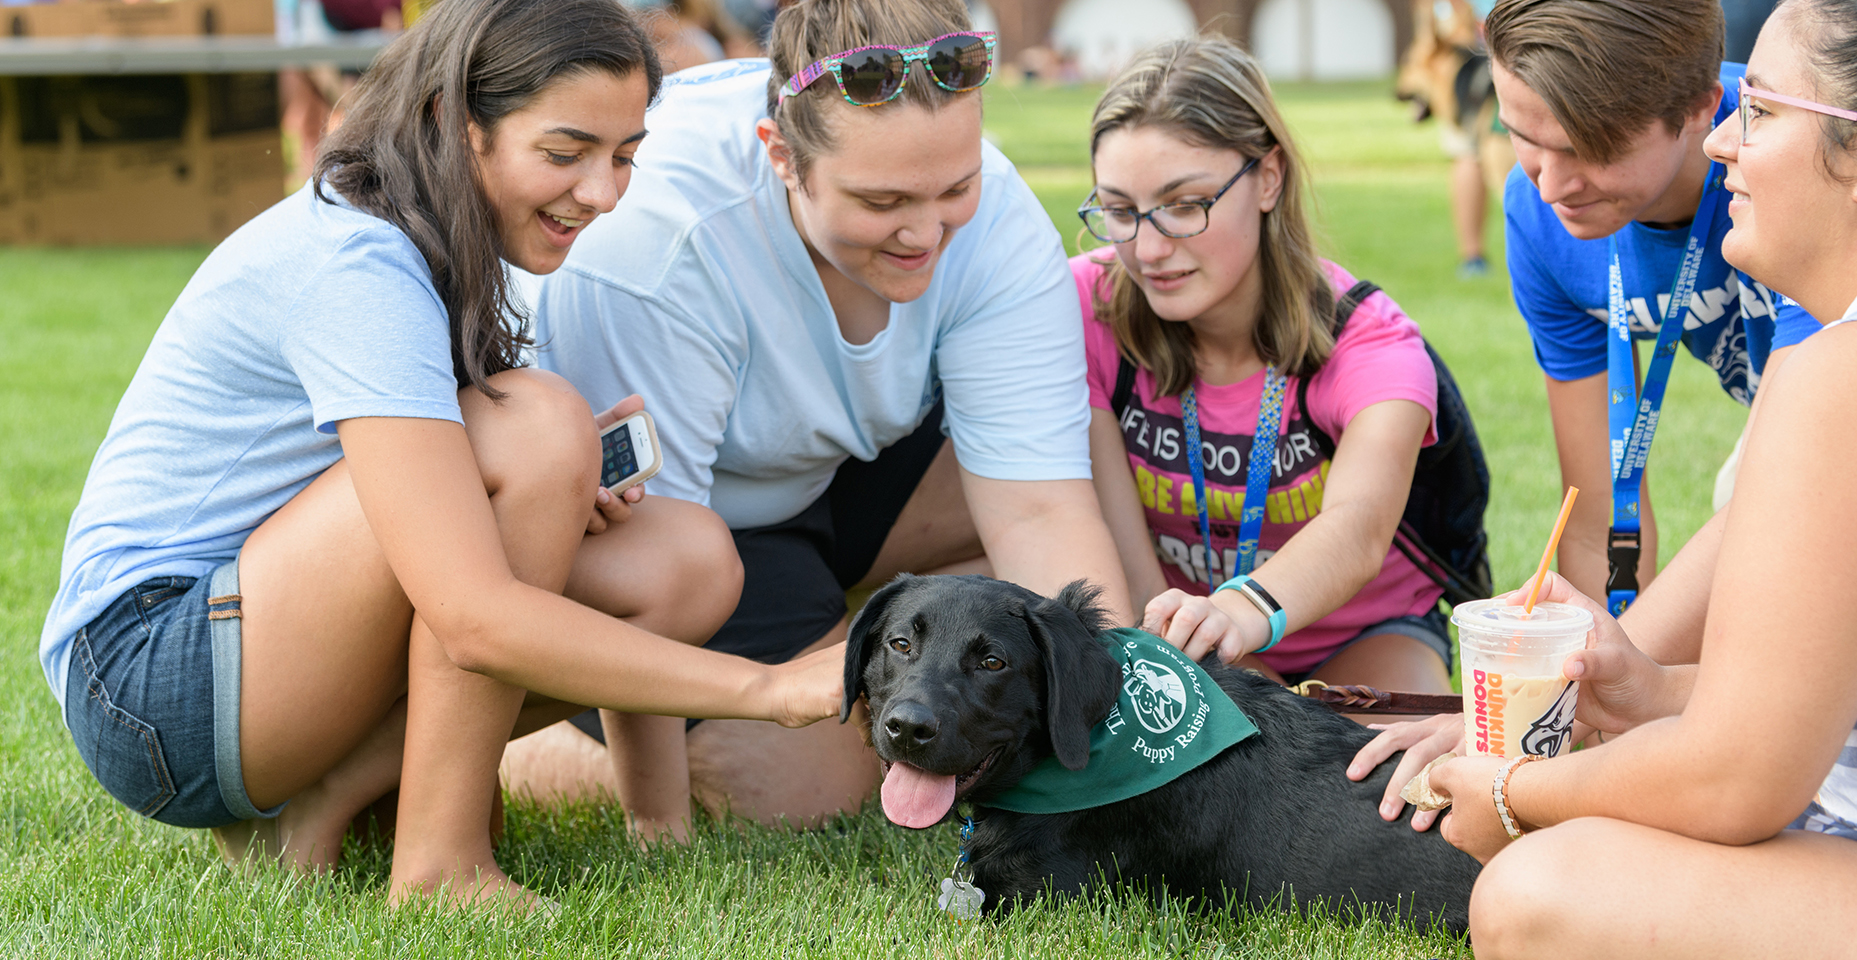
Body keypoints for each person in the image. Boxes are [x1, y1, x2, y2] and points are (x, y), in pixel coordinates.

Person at [40, 0, 844, 909]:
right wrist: (768, 689)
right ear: (453, 126)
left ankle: (335, 795)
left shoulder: (443, 243)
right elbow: (472, 616)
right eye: (566, 151)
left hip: (261, 632)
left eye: (624, 155)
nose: (606, 192)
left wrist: (567, 483)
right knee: (537, 425)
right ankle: (440, 864)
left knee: (685, 560)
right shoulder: (358, 263)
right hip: (151, 682)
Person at [524, 0, 1129, 830]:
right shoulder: (660, 239)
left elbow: (1039, 507)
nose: (926, 230)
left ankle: (872, 638)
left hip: (839, 475)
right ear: (780, 155)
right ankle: (534, 743)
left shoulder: (996, 214)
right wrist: (658, 826)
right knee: (803, 790)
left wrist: (1127, 756)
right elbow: (650, 571)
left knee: (1075, 461)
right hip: (691, 537)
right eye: (882, 202)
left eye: (955, 186)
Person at [1427, 1, 1857, 954]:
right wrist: (1648, 694)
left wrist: (1512, 789)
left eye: (1764, 111)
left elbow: (1740, 779)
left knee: (1536, 896)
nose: (1727, 141)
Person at [1067, 36, 1450, 699]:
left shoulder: (1369, 341)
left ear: (1268, 178)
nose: (1149, 248)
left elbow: (1357, 532)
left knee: (1395, 784)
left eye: (1185, 204)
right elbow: (1128, 573)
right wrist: (1211, 660)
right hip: (1180, 634)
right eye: (1122, 212)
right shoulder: (1082, 308)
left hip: (1359, 633)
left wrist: (1237, 613)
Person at [1490, 0, 1823, 608]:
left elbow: (1800, 480)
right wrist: (1594, 678)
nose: (1550, 186)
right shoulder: (1537, 216)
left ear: (1699, 107)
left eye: (1590, 150)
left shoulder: (1799, 171)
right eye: (1522, 136)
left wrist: (1639, 667)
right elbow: (1597, 524)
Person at [1396, 0, 1510, 279]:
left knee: (1471, 156)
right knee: (1471, 155)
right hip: (1487, 49)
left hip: (1478, 52)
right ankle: (1475, 259)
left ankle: (1475, 259)